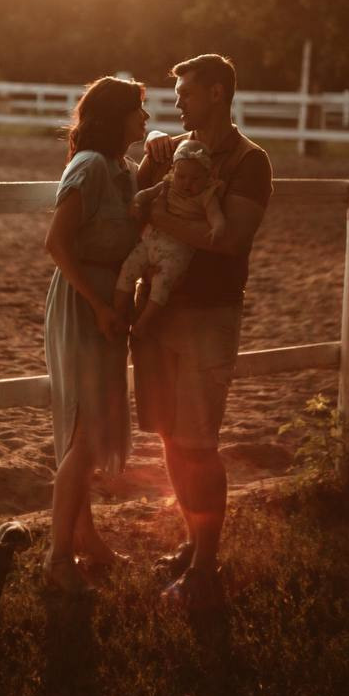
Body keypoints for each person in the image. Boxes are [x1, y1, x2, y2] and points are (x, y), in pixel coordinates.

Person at [133, 54, 273, 611]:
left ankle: (205, 569)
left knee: (199, 442)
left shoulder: (248, 162)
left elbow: (230, 240)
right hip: (160, 310)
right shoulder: (171, 152)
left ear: (217, 93)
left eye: (188, 93)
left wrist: (159, 220)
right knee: (169, 435)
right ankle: (192, 545)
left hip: (208, 315)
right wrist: (149, 157)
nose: (180, 103)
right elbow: (131, 203)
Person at [43, 75, 149, 594]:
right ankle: (58, 557)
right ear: (116, 117)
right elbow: (58, 244)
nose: (146, 121)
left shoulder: (124, 172)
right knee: (84, 433)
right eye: (139, 112)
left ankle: (87, 540)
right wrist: (101, 304)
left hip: (109, 308)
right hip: (85, 304)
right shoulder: (87, 168)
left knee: (91, 426)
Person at [113, 140, 225, 337]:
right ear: (173, 171)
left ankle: (144, 321)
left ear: (207, 177)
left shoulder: (207, 194)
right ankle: (119, 310)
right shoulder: (168, 183)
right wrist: (137, 202)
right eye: (182, 176)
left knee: (162, 283)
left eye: (195, 178)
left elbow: (215, 214)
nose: (187, 183)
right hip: (151, 240)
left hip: (177, 249)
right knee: (128, 267)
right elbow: (145, 194)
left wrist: (218, 226)